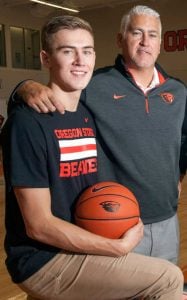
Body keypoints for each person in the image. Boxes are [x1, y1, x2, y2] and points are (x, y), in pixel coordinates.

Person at [2, 14, 185, 300]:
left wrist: (178, 176)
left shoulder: (86, 114)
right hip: (61, 249)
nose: (79, 60)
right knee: (167, 280)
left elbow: (179, 141)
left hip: (129, 226)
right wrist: (22, 88)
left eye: (86, 51)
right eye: (67, 51)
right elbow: (38, 224)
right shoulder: (39, 117)